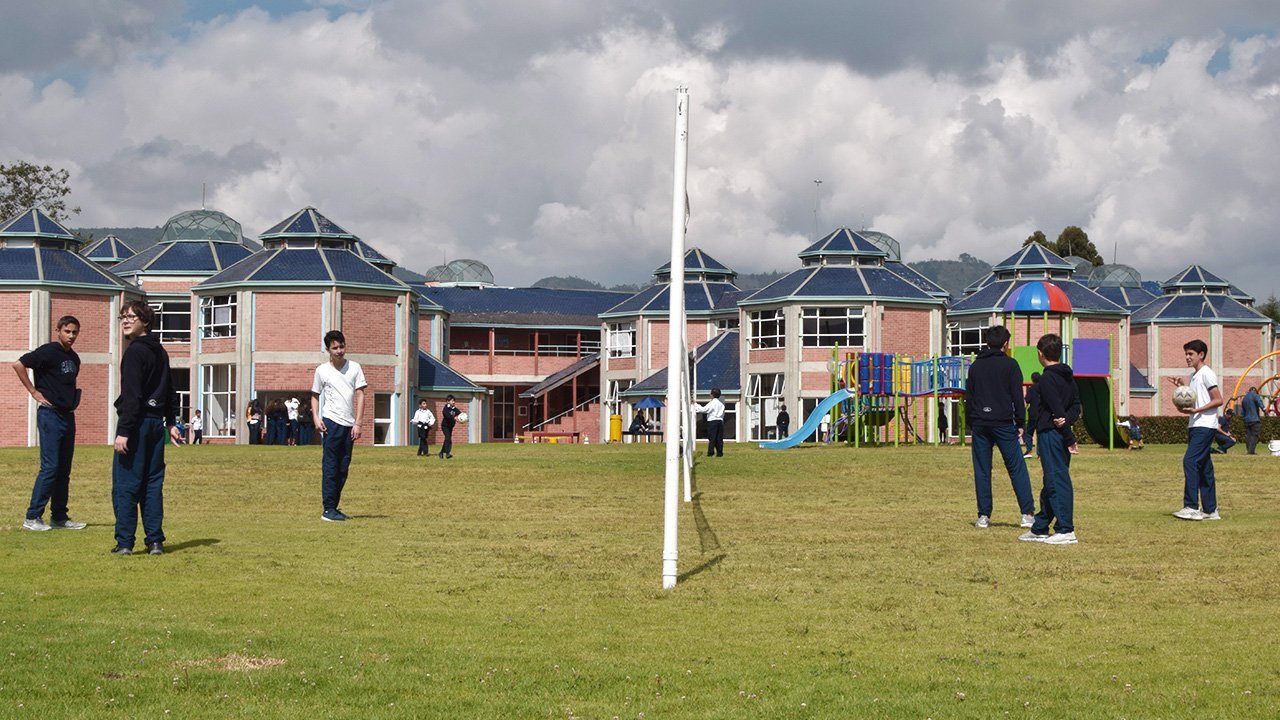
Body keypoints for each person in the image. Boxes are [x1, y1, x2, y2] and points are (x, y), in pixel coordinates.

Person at [111, 300, 182, 555]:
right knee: (153, 484)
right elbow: (170, 389)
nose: (126, 321)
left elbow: (132, 395)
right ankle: (154, 541)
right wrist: (171, 422)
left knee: (126, 484)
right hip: (155, 425)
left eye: (132, 316)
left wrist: (124, 431)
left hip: (138, 423)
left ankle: (125, 543)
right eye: (123, 317)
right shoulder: (160, 351)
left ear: (146, 322)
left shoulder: (134, 352)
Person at [13, 315, 86, 532]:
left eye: (75, 332)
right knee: (50, 467)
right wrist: (34, 392)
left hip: (67, 416)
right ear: (58, 331)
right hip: (50, 415)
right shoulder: (47, 351)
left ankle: (59, 517)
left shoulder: (74, 358)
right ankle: (32, 517)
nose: (71, 336)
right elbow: (18, 364)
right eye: (67, 331)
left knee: (64, 470)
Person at [965, 325, 1036, 530]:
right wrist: (1021, 422)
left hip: (980, 423)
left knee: (982, 470)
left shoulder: (976, 366)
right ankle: (1027, 513)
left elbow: (969, 396)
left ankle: (983, 515)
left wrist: (972, 420)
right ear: (1005, 344)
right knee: (1016, 467)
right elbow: (1017, 396)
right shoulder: (1010, 365)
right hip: (1003, 423)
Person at [1020, 334, 1081, 545]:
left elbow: (1056, 410)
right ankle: (1040, 527)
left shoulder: (1047, 379)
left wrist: (1068, 434)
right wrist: (1067, 419)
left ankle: (1066, 529)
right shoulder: (1069, 377)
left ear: (1040, 353)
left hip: (1051, 435)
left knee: (1057, 480)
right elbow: (1076, 408)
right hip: (1060, 434)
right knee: (1050, 480)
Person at [312, 330, 366, 521]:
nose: (339, 351)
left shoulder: (355, 368)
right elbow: (315, 395)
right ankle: (328, 509)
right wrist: (317, 418)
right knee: (330, 466)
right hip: (331, 423)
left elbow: (360, 395)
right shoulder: (322, 371)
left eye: (341, 346)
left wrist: (358, 423)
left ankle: (334, 506)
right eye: (335, 348)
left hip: (349, 424)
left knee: (343, 467)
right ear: (328, 349)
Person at [1171, 339, 1224, 521]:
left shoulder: (1207, 374)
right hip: (1196, 424)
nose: (1187, 357)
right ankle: (1210, 510)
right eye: (1186, 354)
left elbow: (1218, 399)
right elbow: (1195, 399)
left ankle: (1191, 506)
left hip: (1205, 425)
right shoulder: (1194, 376)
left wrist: (1197, 410)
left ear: (1201, 355)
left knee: (1190, 461)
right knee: (1204, 467)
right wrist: (1180, 388)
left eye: (1190, 354)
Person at [692, 388, 726, 457]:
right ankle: (720, 453)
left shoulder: (712, 403)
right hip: (720, 421)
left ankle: (710, 452)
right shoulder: (721, 404)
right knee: (719, 438)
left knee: (712, 437)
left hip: (712, 421)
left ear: (712, 395)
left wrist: (695, 404)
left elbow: (704, 410)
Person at [1240, 386, 1265, 455]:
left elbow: (1243, 411)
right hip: (1254, 419)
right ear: (1255, 391)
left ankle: (1249, 450)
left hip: (1246, 420)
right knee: (1255, 435)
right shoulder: (1255, 395)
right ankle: (1251, 451)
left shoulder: (1244, 398)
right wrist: (1265, 410)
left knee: (1248, 435)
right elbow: (1260, 403)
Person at [1023, 372, 1040, 458]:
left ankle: (1029, 451)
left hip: (1033, 414)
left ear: (1032, 379)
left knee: (1029, 433)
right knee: (1040, 434)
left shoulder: (1031, 389)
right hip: (1041, 414)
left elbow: (1027, 401)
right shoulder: (1044, 388)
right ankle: (1040, 454)